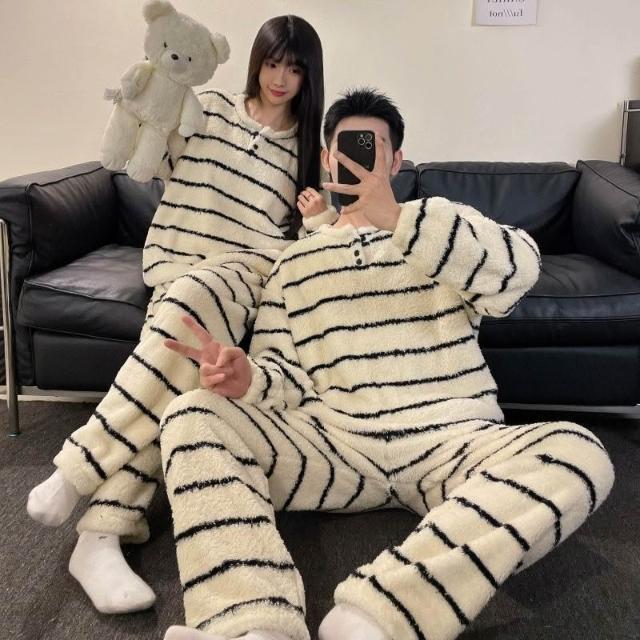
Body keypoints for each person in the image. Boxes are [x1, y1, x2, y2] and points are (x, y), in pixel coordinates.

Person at [157, 88, 615, 640]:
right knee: (191, 415)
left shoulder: (439, 224)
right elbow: (285, 373)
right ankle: (252, 624)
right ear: (326, 159)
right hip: (336, 446)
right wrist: (248, 378)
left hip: (451, 441)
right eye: (347, 149)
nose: (359, 161)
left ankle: (376, 618)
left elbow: (519, 271)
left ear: (396, 161)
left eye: (372, 149)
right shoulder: (295, 262)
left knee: (577, 452)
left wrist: (398, 219)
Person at [26, 14, 331, 615]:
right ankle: (100, 534)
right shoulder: (210, 109)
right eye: (273, 63)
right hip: (178, 263)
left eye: (295, 69)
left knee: (193, 309)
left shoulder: (306, 151)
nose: (280, 78)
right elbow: (150, 157)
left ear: (308, 76)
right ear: (256, 61)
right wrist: (144, 104)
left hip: (244, 275)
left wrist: (319, 216)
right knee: (183, 368)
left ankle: (79, 469)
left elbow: (308, 240)